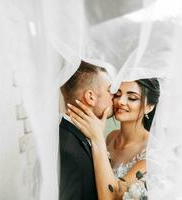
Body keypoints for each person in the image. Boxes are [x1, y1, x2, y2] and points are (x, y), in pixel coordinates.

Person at [67, 78, 160, 200]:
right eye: (117, 94)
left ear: (150, 107)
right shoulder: (111, 136)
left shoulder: (152, 151)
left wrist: (97, 138)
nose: (120, 101)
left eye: (132, 98)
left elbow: (112, 196)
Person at [59, 60, 114, 200]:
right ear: (90, 97)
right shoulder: (69, 152)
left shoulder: (73, 137)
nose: (115, 96)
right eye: (109, 90)